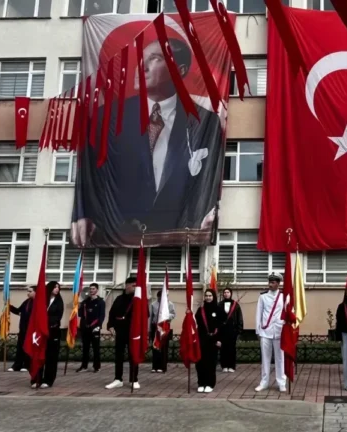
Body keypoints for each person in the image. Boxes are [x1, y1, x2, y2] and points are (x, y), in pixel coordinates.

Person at [72, 36, 222, 248]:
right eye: (141, 59)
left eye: (154, 59)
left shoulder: (204, 121)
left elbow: (211, 178)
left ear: (179, 70)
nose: (141, 67)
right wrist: (82, 210)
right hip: (113, 231)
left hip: (174, 236)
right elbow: (89, 170)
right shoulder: (107, 117)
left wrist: (210, 213)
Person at [255, 273, 286, 392]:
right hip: (265, 330)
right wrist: (258, 330)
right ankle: (264, 382)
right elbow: (259, 313)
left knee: (280, 358)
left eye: (273, 282)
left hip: (279, 330)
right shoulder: (263, 297)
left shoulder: (284, 296)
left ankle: (281, 382)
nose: (270, 284)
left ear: (278, 283)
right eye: (269, 282)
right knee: (265, 358)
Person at [105, 277, 138, 390]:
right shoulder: (119, 299)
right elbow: (112, 313)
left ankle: (134, 379)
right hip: (120, 330)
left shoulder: (138, 300)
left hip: (133, 331)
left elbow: (145, 315)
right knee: (119, 356)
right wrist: (110, 326)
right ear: (127, 285)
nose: (135, 287)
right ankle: (118, 379)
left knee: (133, 355)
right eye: (133, 285)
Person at [196, 289, 224, 393]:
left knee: (211, 363)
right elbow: (196, 324)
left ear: (213, 297)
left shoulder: (219, 310)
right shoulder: (200, 310)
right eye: (206, 296)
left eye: (210, 296)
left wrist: (219, 339)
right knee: (200, 363)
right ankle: (201, 383)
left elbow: (221, 326)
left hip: (214, 340)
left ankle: (210, 383)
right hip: (202, 339)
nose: (208, 297)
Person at [37, 281, 64, 389]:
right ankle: (38, 378)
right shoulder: (44, 300)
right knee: (40, 355)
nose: (57, 289)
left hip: (53, 331)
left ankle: (48, 380)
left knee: (51, 357)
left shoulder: (59, 301)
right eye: (55, 287)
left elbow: (57, 316)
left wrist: (46, 322)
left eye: (58, 287)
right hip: (42, 332)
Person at [76, 283, 105, 373]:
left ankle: (97, 366)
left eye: (93, 289)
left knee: (96, 348)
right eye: (90, 289)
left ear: (97, 290)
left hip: (95, 327)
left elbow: (102, 316)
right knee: (85, 348)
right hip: (85, 328)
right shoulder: (85, 302)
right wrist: (78, 306)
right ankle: (84, 366)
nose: (91, 290)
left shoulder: (101, 302)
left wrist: (99, 326)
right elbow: (80, 314)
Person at [8, 285, 34, 373]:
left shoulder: (38, 303)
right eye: (28, 291)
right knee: (20, 348)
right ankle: (17, 365)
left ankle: (27, 365)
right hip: (23, 329)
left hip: (31, 329)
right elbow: (19, 311)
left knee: (28, 347)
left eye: (30, 291)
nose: (28, 293)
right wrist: (9, 306)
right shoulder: (26, 302)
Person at [149, 289, 175, 373]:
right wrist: (149, 329)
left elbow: (173, 314)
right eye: (159, 297)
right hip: (155, 327)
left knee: (163, 347)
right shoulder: (153, 304)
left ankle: (162, 366)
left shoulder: (170, 304)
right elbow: (151, 317)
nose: (161, 299)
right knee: (155, 347)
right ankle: (154, 366)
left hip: (164, 327)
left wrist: (166, 315)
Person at [219, 287, 243, 373]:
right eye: (224, 292)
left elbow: (239, 318)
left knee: (232, 349)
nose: (226, 294)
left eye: (228, 292)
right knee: (223, 349)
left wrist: (239, 330)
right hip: (222, 330)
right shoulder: (219, 304)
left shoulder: (235, 305)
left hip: (232, 330)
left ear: (230, 293)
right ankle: (224, 366)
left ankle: (231, 366)